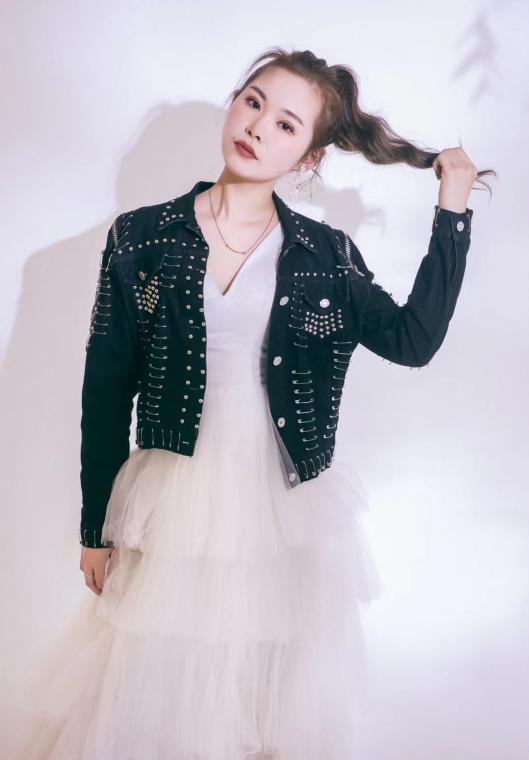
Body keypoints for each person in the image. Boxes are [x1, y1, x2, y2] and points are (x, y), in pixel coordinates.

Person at [16, 46, 490, 760]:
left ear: (309, 157)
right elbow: (106, 387)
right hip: (173, 497)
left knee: (261, 691)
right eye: (253, 102)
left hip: (281, 504)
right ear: (235, 102)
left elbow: (412, 339)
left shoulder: (326, 255)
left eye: (286, 125)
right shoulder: (141, 238)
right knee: (157, 677)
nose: (259, 126)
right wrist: (94, 527)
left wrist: (451, 211)